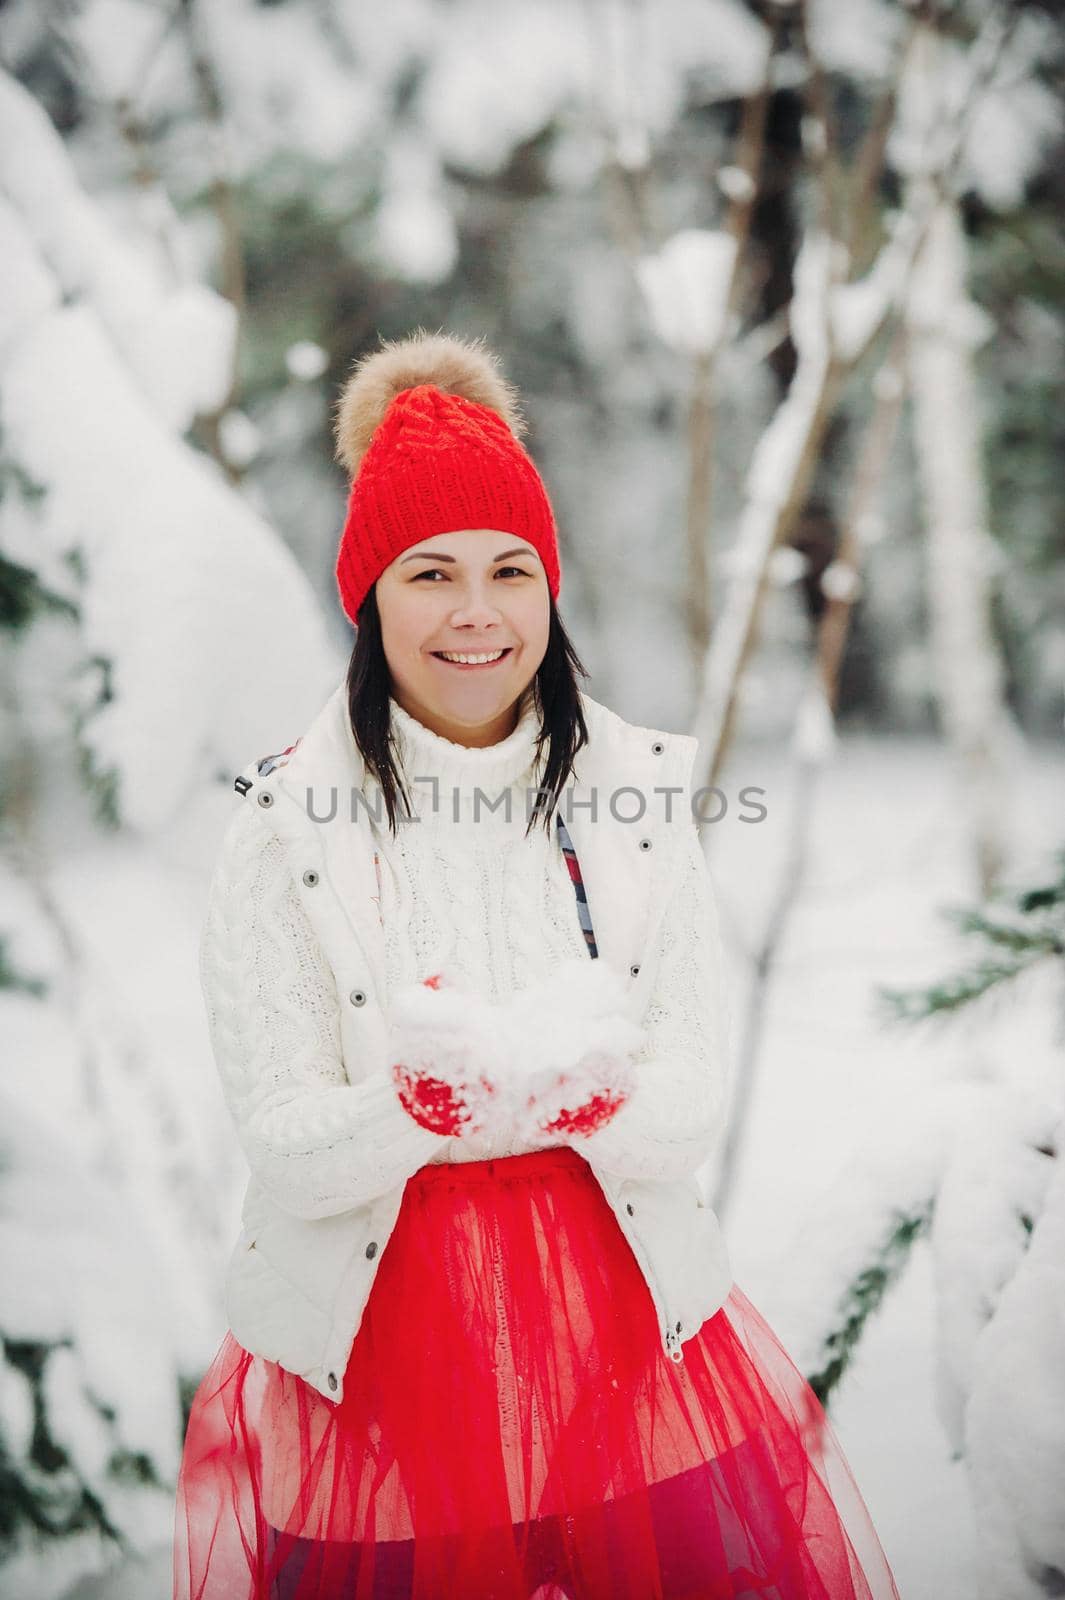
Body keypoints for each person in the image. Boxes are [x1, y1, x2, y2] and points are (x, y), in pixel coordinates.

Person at [172, 329, 902, 1599]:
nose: (477, 612)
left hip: (627, 1345)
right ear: (369, 598)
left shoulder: (636, 794)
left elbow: (689, 1098)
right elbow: (284, 1137)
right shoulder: (284, 829)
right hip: (379, 1375)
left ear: (549, 589)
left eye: (512, 570)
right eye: (431, 573)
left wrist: (601, 1099)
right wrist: (411, 1110)